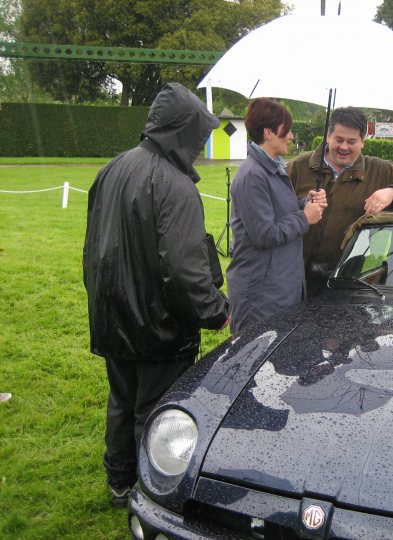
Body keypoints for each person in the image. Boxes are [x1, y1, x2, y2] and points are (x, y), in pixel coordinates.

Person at [83, 83, 230, 508]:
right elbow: (184, 270)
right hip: (156, 324)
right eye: (199, 135)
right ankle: (151, 489)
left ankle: (120, 479)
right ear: (181, 131)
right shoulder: (176, 185)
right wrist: (215, 311)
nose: (202, 145)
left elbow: (92, 248)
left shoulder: (112, 168)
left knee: (122, 399)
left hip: (113, 314)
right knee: (156, 409)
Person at [287, 107, 393, 296]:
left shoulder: (377, 170)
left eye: (352, 141)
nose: (344, 147)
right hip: (295, 277)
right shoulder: (299, 167)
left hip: (344, 280)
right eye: (338, 140)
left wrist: (392, 192)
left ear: (363, 141)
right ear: (328, 136)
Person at [226, 98, 326, 334]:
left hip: (278, 290)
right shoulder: (252, 175)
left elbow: (279, 212)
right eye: (286, 130)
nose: (291, 136)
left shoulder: (272, 168)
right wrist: (305, 218)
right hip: (261, 296)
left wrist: (305, 202)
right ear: (269, 132)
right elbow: (264, 234)